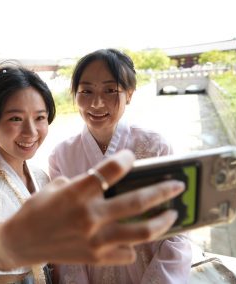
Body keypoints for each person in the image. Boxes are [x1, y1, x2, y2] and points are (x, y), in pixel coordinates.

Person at [0, 65, 185, 284]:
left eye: (40, 117)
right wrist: (2, 245)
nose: (31, 131)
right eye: (15, 118)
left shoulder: (41, 177)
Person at [49, 49, 192, 283]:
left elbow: (177, 230)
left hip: (148, 271)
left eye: (110, 90)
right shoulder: (61, 155)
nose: (96, 103)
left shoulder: (155, 147)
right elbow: (67, 237)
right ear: (74, 94)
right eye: (86, 91)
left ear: (130, 94)